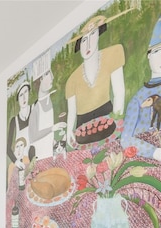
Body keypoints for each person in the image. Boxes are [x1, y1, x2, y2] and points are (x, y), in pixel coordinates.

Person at [65, 15, 125, 146]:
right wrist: (69, 130)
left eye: (92, 35)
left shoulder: (112, 53)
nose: (87, 44)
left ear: (99, 35)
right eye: (84, 40)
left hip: (107, 117)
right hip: (82, 128)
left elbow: (119, 92)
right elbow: (72, 112)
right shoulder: (72, 79)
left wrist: (117, 118)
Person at [121, 16, 161, 161]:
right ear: (148, 56)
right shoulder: (138, 99)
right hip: (149, 158)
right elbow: (125, 139)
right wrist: (155, 153)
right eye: (157, 51)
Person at [28, 67, 66, 161]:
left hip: (54, 153)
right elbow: (33, 137)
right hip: (40, 157)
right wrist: (52, 128)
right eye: (49, 74)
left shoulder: (51, 101)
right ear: (41, 79)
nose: (52, 78)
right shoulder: (35, 109)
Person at [7, 82, 31, 186]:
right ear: (18, 99)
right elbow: (7, 148)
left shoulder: (34, 109)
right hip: (21, 161)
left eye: (26, 92)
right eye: (21, 95)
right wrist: (16, 162)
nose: (24, 97)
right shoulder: (14, 121)